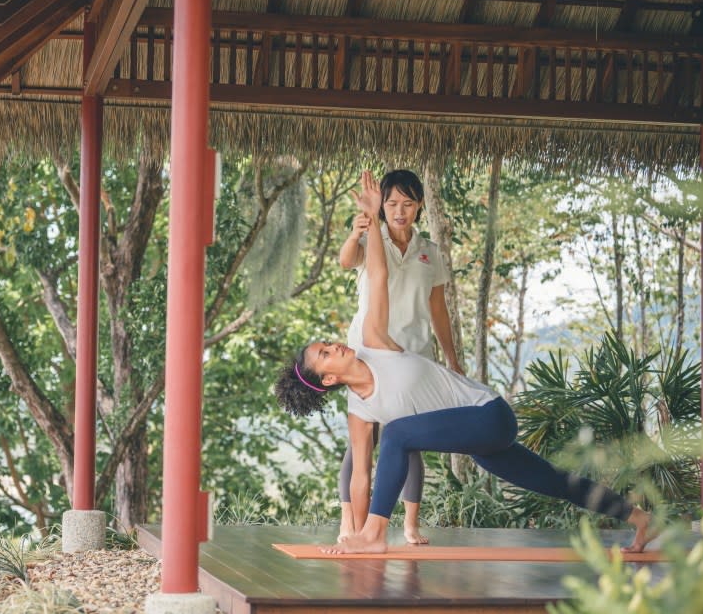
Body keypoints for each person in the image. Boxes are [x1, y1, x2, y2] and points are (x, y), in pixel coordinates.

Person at [274, 171, 655, 554]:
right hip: (478, 436)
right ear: (326, 381)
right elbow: (361, 474)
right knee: (551, 480)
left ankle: (375, 536)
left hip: (488, 414)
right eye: (325, 354)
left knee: (396, 435)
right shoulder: (359, 407)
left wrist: (374, 219)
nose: (334, 345)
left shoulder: (376, 341)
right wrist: (351, 533)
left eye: (326, 343)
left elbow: (378, 274)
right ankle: (639, 519)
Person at [336, 169, 463, 545]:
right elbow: (346, 261)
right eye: (392, 203)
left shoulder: (431, 253)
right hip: (368, 355)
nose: (399, 211)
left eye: (408, 203)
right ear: (383, 206)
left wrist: (452, 359)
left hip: (413, 358)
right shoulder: (373, 240)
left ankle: (410, 524)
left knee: (408, 439)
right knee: (362, 440)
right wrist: (358, 230)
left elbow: (439, 310)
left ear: (420, 205)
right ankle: (349, 523)